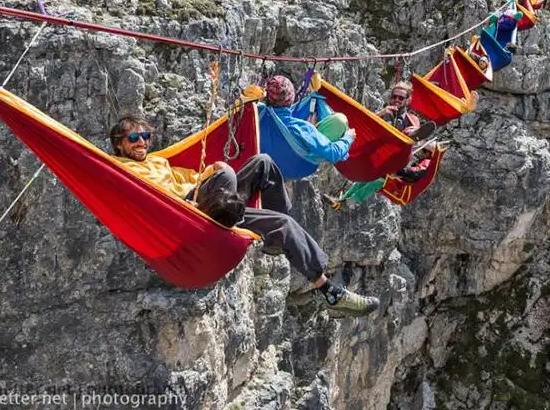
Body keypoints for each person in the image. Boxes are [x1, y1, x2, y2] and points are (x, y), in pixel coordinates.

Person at [110, 113, 380, 317]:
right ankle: (259, 226)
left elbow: (191, 177)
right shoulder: (119, 169)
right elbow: (151, 196)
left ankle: (327, 289)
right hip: (186, 214)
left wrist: (210, 171)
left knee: (264, 164)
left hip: (215, 204)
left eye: (145, 136)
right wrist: (214, 175)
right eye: (133, 138)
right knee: (226, 173)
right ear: (119, 145)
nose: (141, 142)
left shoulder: (158, 161)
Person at [265, 75, 356, 164]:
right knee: (340, 120)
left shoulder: (258, 113)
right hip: (296, 166)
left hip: (272, 156)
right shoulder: (302, 128)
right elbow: (333, 153)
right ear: (291, 98)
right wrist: (348, 138)